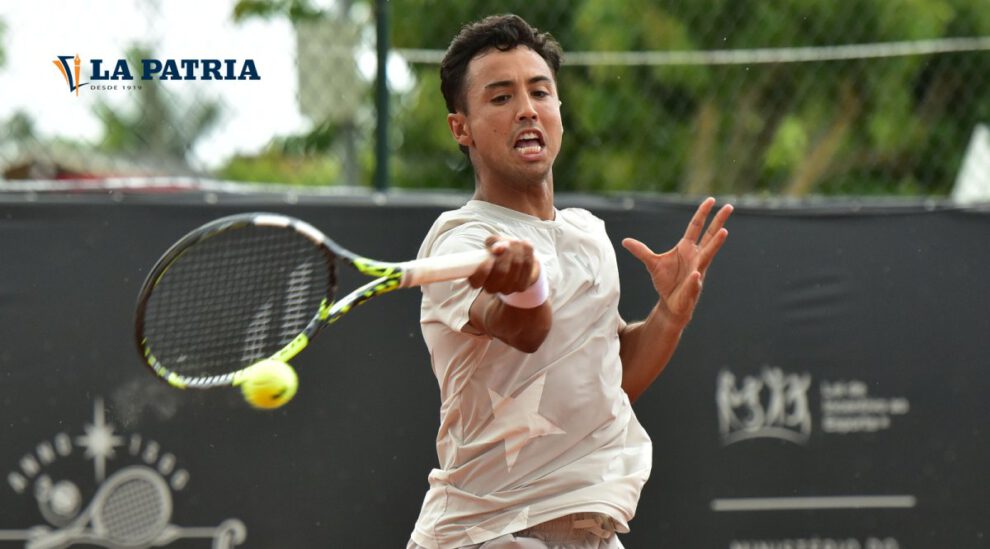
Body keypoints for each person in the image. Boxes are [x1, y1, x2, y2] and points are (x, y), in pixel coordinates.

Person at [409, 14, 732, 549]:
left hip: (591, 534)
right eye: (501, 97)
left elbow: (610, 382)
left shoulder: (587, 234)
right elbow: (522, 328)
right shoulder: (460, 241)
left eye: (540, 92)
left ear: (559, 109)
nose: (527, 109)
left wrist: (669, 315)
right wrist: (525, 288)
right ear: (460, 128)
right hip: (491, 535)